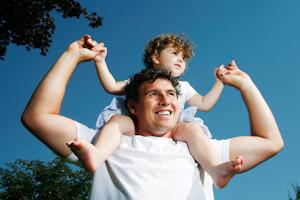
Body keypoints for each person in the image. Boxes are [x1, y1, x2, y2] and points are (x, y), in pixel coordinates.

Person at [21, 35, 284, 200]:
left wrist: (246, 85)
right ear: (132, 106)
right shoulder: (109, 141)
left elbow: (271, 142)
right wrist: (73, 56)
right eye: (153, 94)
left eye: (171, 93)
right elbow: (37, 117)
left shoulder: (198, 149)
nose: (166, 99)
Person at [67, 34, 241, 188]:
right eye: (174, 53)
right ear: (155, 57)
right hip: (139, 124)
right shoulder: (140, 81)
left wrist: (220, 82)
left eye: (184, 58)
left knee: (191, 129)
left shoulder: (184, 86)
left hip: (172, 128)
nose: (181, 59)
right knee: (119, 121)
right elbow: (112, 86)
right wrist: (100, 62)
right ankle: (97, 154)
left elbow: (205, 104)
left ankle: (216, 170)